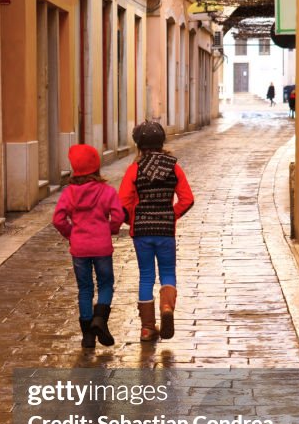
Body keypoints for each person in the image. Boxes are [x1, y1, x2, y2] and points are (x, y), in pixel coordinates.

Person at [119, 121, 194, 342]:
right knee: (168, 272)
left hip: (141, 231)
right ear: (162, 142)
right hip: (165, 231)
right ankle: (167, 307)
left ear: (138, 145)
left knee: (146, 276)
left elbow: (122, 203)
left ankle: (147, 328)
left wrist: (133, 219)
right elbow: (187, 199)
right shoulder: (174, 167)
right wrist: (172, 215)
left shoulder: (134, 170)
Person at [52, 144, 124, 349]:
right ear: (96, 167)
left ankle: (87, 336)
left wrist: (71, 233)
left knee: (84, 288)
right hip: (102, 247)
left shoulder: (70, 193)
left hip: (79, 248)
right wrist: (110, 229)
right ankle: (100, 319)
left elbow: (58, 219)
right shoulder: (107, 191)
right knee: (106, 284)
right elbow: (118, 215)